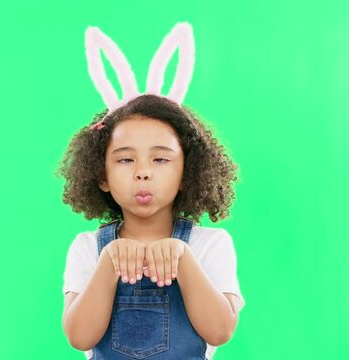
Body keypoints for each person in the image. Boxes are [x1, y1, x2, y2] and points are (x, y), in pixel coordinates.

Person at [56, 22, 245, 360]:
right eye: (125, 160)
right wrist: (108, 264)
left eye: (160, 159)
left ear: (187, 172)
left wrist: (183, 260)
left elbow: (220, 331)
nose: (143, 173)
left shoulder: (209, 245)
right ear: (102, 175)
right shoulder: (87, 248)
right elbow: (80, 337)